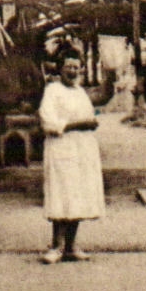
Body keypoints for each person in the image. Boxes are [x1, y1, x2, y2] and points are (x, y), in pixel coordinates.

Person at [37, 46, 105, 264]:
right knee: (61, 194)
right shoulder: (52, 90)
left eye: (76, 67)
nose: (73, 71)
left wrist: (91, 121)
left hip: (82, 149)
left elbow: (89, 114)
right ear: (60, 69)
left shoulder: (79, 91)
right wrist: (78, 124)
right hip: (61, 148)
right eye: (68, 67)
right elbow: (48, 121)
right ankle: (56, 246)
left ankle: (71, 246)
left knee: (78, 196)